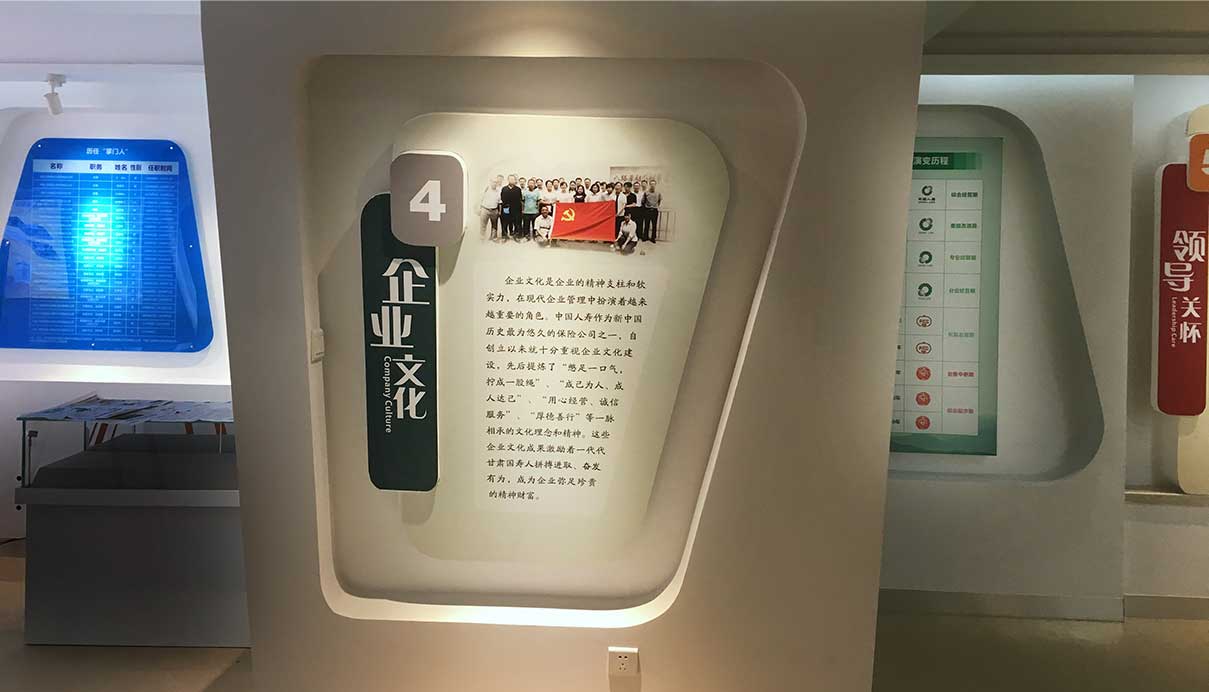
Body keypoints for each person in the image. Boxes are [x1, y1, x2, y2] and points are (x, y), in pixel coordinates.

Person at [500, 174, 523, 239]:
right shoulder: (504, 189)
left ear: (515, 180)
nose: (512, 180)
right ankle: (504, 236)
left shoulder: (518, 189)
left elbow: (520, 199)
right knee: (505, 223)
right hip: (506, 208)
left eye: (513, 179)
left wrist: (520, 210)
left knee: (516, 223)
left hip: (516, 209)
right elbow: (502, 199)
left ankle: (516, 236)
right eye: (510, 179)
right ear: (508, 180)